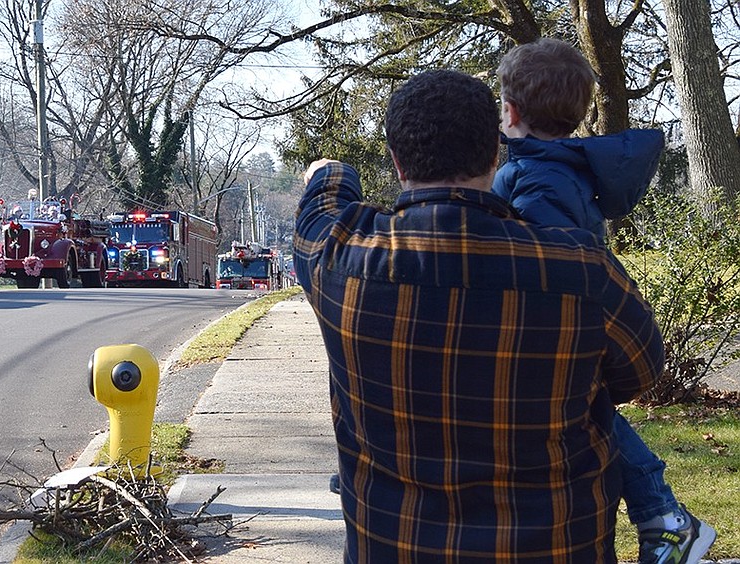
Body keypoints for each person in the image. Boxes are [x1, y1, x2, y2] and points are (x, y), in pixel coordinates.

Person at [294, 69, 664, 562]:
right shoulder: (581, 269)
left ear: (397, 161)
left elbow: (320, 206)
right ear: (495, 154)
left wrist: (330, 170)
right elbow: (640, 373)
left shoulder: (341, 259)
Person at [495, 38, 715, 564]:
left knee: (592, 414)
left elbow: (543, 260)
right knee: (593, 413)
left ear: (511, 111)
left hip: (552, 326)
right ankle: (663, 514)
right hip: (576, 322)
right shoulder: (558, 168)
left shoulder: (535, 175)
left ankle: (664, 514)